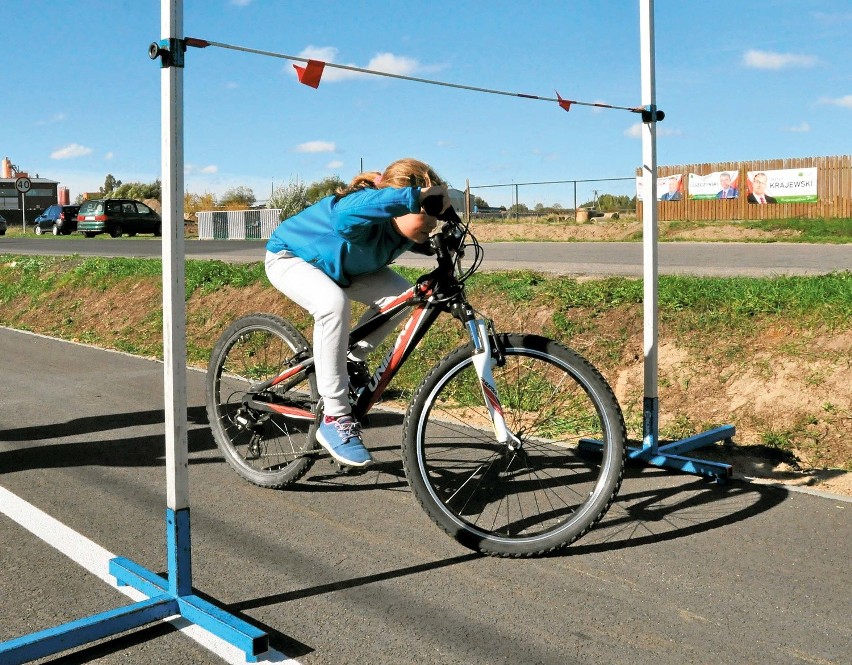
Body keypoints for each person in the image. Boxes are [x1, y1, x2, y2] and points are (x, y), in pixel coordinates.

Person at [265, 158, 451, 467]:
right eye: (426, 210)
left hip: (341, 267)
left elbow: (397, 233)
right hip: (291, 257)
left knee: (403, 297)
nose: (432, 220)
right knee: (332, 304)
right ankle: (335, 416)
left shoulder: (401, 230)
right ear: (394, 204)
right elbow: (347, 216)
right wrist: (414, 198)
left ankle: (349, 361)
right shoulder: (357, 208)